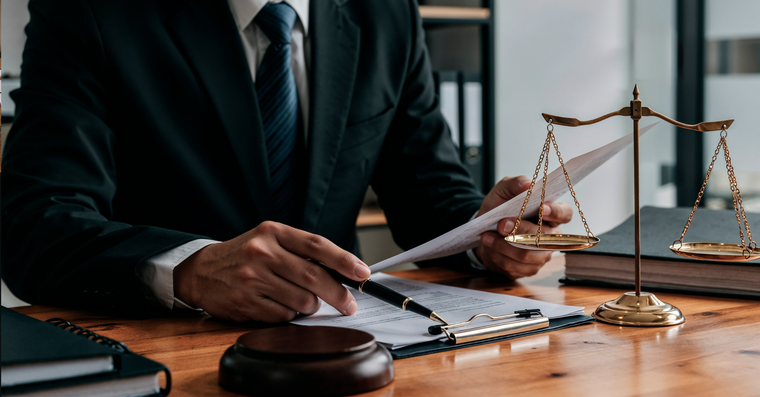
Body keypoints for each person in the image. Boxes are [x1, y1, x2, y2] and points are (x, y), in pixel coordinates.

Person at [1, 0, 572, 322]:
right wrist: (189, 268)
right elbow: (35, 229)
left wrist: (487, 233)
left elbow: (428, 191)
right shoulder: (86, 11)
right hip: (167, 354)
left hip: (347, 345)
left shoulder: (386, 14)